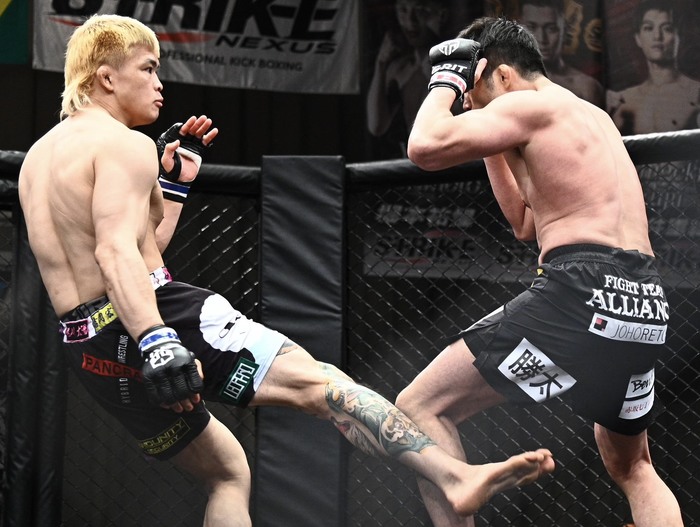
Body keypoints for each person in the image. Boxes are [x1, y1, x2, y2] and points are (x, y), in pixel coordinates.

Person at [17, 14, 555, 526]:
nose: (160, 83)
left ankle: (451, 476)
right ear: (106, 77)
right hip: (153, 318)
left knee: (227, 474)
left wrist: (174, 186)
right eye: (149, 68)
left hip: (91, 349)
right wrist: (157, 341)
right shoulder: (124, 145)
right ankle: (453, 475)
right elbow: (117, 256)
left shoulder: (38, 161)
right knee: (326, 386)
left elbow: (133, 254)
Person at [400, 16, 684, 527]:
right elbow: (524, 223)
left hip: (581, 290)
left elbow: (424, 147)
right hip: (643, 305)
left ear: (500, 73)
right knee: (634, 466)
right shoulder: (592, 117)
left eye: (478, 93)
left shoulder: (526, 105)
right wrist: (485, 132)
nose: (478, 110)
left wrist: (446, 81)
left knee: (421, 407)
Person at [366, 0, 449, 157]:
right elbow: (376, 126)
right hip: (413, 164)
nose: (411, 21)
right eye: (403, 10)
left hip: (454, 162)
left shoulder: (456, 65)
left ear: (441, 15)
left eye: (421, 11)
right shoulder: (400, 69)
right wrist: (380, 65)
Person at [607, 0, 700, 135]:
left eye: (667, 28)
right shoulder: (624, 100)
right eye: (648, 28)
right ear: (638, 38)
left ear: (678, 36)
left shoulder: (696, 93)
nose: (657, 36)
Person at [518, 0, 604, 106]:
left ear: (565, 30)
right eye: (532, 28)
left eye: (551, 29)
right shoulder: (509, 81)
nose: (541, 38)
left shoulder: (585, 87)